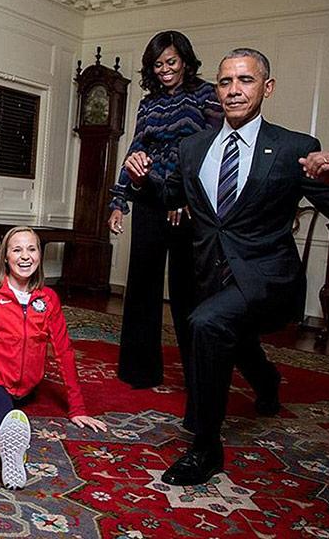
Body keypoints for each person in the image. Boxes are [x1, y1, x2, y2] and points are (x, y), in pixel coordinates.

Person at [124, 48, 329, 486]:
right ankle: (267, 382)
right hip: (210, 274)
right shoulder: (192, 148)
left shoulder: (294, 148)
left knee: (208, 324)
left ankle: (206, 447)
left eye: (245, 81)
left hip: (269, 276)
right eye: (225, 81)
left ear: (266, 88)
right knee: (228, 326)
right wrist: (141, 181)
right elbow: (168, 198)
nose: (233, 90)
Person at [0, 226, 107, 490]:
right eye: (17, 249)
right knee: (4, 411)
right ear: (5, 258)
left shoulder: (49, 298)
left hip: (28, 387)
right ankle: (11, 456)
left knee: (14, 408)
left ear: (39, 255)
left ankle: (11, 434)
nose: (25, 256)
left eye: (31, 249)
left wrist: (77, 408)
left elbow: (64, 352)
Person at [110, 30, 223, 393]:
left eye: (171, 62)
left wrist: (189, 197)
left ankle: (199, 376)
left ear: (185, 61)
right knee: (141, 284)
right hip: (149, 199)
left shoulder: (206, 95)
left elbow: (214, 150)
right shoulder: (148, 104)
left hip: (187, 203)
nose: (164, 70)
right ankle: (138, 372)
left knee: (186, 290)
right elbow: (135, 150)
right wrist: (118, 201)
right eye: (157, 64)